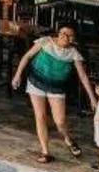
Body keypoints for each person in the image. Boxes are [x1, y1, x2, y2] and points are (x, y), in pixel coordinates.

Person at [11, 23, 93, 164]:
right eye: (62, 33)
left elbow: (83, 77)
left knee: (60, 121)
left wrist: (93, 98)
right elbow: (27, 56)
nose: (64, 37)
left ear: (73, 39)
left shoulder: (73, 53)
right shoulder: (46, 41)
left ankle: (68, 139)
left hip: (56, 88)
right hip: (36, 82)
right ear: (58, 33)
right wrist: (17, 75)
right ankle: (45, 151)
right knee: (40, 116)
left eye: (69, 35)